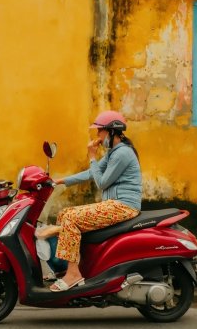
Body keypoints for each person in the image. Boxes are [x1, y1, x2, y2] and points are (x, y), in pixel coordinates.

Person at [49, 110, 142, 292]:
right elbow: (92, 172)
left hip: (123, 206)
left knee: (71, 219)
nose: (97, 135)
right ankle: (69, 268)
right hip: (112, 205)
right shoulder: (113, 152)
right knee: (64, 214)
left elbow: (101, 182)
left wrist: (91, 156)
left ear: (111, 131)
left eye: (100, 131)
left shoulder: (122, 153)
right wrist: (61, 181)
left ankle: (74, 275)